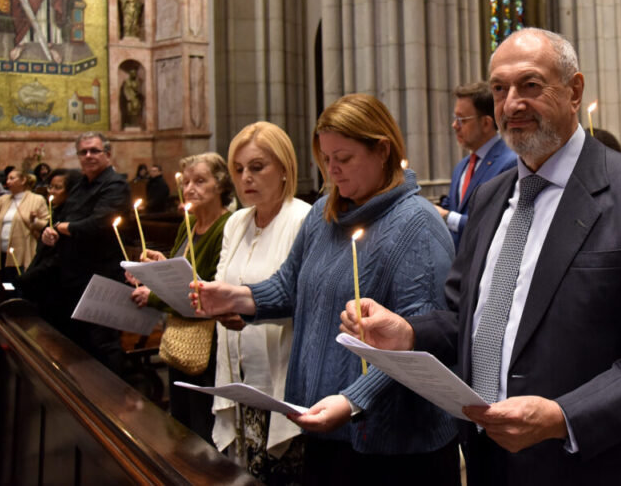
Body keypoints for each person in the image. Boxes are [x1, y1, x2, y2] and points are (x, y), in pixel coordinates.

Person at [341, 28, 621, 486]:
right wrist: (408, 332)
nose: (511, 104)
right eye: (500, 89)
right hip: (488, 457)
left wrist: (561, 415)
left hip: (586, 464)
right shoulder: (490, 198)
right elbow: (463, 317)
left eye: (530, 85)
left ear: (574, 91)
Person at [195, 104, 459, 485]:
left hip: (396, 444)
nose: (332, 170)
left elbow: (418, 344)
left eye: (344, 158)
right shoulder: (323, 214)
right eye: (325, 158)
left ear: (382, 150)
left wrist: (353, 400)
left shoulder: (417, 223)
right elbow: (289, 286)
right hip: (324, 424)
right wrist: (235, 297)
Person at [192, 123, 311, 482]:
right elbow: (222, 283)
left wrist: (247, 308)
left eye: (258, 167)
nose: (246, 178)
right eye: (239, 169)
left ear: (285, 168)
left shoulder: (303, 220)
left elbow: (300, 300)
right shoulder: (236, 223)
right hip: (236, 378)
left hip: (279, 378)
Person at [130, 153, 233, 443]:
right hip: (178, 335)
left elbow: (205, 291)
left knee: (201, 427)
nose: (190, 189)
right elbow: (183, 271)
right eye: (186, 182)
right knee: (180, 425)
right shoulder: (188, 223)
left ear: (221, 184)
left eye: (200, 181)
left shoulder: (226, 227)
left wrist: (152, 295)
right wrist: (157, 267)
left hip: (207, 340)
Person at [41, 132, 130, 374]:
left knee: (103, 341)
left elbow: (99, 223)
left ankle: (113, 403)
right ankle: (85, 399)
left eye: (94, 150)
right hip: (74, 275)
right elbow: (62, 216)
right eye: (84, 152)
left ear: (108, 154)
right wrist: (50, 230)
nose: (89, 155)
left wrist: (63, 228)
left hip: (102, 275)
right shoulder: (80, 184)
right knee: (78, 341)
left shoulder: (115, 184)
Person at [437, 81, 516, 248]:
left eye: (461, 119)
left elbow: (496, 224)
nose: (454, 125)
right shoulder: (461, 167)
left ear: (486, 123)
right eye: (454, 118)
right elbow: (452, 206)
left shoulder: (510, 163)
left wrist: (446, 217)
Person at [18, 168, 79, 327]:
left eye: (57, 187)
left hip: (59, 290)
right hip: (45, 286)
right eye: (50, 187)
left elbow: (59, 257)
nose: (51, 192)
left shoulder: (73, 217)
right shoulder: (57, 211)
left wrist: (28, 278)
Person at [0, 168, 48, 280]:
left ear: (23, 181)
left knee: (18, 284)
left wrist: (35, 221)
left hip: (22, 253)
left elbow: (47, 223)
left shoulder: (37, 199)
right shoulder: (4, 199)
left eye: (12, 178)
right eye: (7, 179)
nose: (7, 182)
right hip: (2, 253)